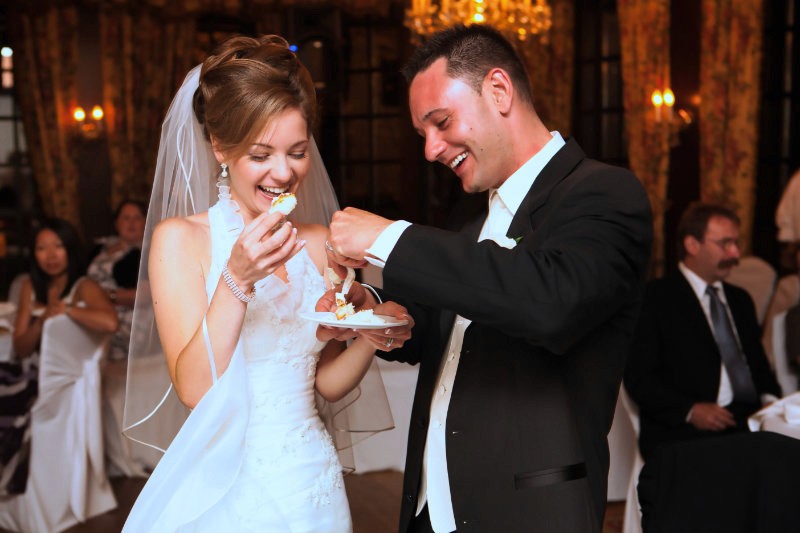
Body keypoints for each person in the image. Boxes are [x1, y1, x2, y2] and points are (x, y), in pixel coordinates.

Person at [322, 24, 653, 533]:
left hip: (526, 510)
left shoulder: (604, 193)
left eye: (441, 121)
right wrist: (371, 304)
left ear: (499, 91)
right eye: (423, 134)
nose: (431, 149)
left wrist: (388, 238)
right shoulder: (469, 218)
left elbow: (548, 301)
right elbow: (444, 325)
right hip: (431, 508)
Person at [121, 35, 412, 532]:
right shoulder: (182, 241)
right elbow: (195, 388)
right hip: (229, 486)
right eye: (261, 155)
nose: (284, 172)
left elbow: (324, 382)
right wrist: (237, 277)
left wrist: (374, 334)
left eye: (297, 152)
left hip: (311, 477)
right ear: (219, 147)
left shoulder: (321, 243)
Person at [624, 202, 782, 464]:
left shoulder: (740, 300)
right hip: (683, 430)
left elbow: (759, 368)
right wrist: (689, 410)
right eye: (725, 244)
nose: (736, 254)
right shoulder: (655, 299)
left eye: (736, 243)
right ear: (692, 245)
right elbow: (639, 378)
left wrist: (770, 403)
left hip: (746, 421)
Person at [1, 218, 117, 496]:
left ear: (71, 249)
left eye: (58, 246)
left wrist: (67, 310)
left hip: (63, 378)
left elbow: (110, 323)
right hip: (31, 370)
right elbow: (20, 348)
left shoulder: (85, 286)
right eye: (42, 248)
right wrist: (42, 322)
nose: (50, 255)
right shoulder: (30, 286)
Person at [87, 199, 147, 361]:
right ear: (116, 223)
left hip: (128, 317)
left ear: (145, 222)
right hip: (93, 308)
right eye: (126, 218)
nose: (132, 223)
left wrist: (107, 296)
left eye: (137, 218)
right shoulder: (102, 247)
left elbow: (148, 295)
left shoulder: (148, 252)